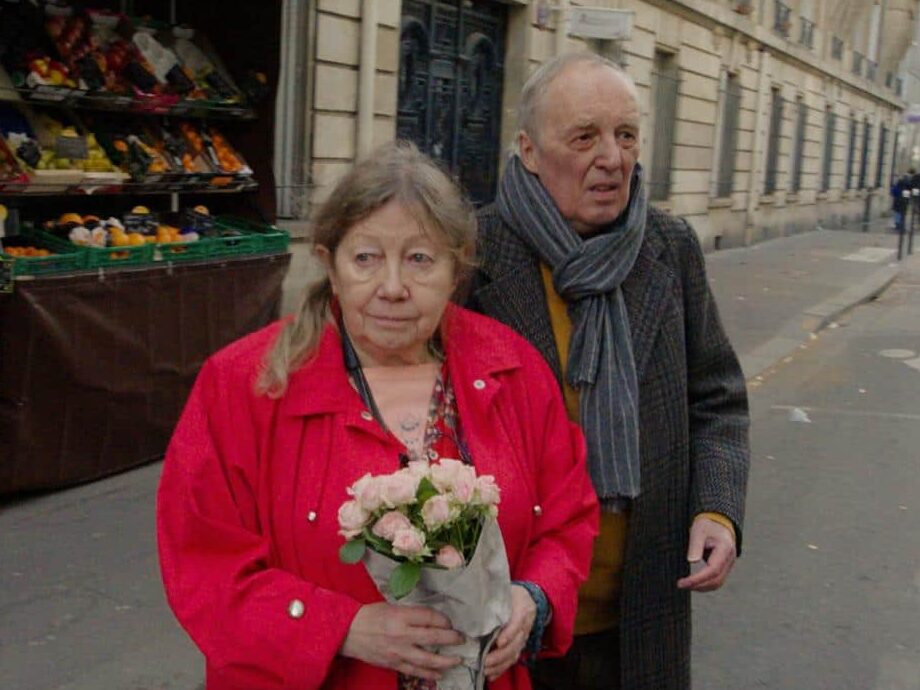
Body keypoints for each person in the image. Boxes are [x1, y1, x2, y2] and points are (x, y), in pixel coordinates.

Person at [157, 142, 599, 690]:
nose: (392, 288)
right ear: (330, 265)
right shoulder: (244, 385)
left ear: (456, 268)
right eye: (366, 258)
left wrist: (532, 598)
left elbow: (568, 517)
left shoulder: (513, 370)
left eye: (420, 259)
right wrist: (343, 628)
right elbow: (204, 567)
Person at [467, 53, 751, 690]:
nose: (613, 158)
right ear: (529, 150)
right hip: (505, 615)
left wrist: (717, 509)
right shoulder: (470, 254)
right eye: (585, 137)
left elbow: (718, 397)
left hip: (641, 609)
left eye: (626, 135)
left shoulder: (669, 248)